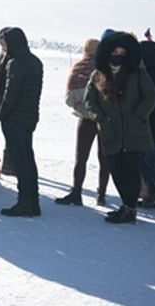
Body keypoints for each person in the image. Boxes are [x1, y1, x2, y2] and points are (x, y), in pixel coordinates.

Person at [86, 32, 155, 224]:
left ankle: (130, 208)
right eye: (114, 51)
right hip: (110, 132)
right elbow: (90, 100)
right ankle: (126, 205)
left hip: (135, 132)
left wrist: (139, 115)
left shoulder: (137, 73)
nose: (118, 55)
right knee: (116, 169)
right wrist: (100, 118)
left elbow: (150, 95)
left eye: (122, 52)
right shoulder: (98, 75)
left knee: (131, 170)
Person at [0, 28, 44, 217]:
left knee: (20, 161)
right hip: (29, 116)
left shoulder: (15, 63)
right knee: (28, 159)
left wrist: (1, 113)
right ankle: (33, 201)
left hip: (14, 118)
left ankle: (24, 202)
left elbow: (11, 92)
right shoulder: (35, 61)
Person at [56, 39, 108, 206]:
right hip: (104, 119)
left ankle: (76, 192)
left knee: (81, 157)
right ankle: (101, 194)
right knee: (104, 158)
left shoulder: (79, 67)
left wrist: (82, 107)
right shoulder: (106, 68)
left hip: (86, 119)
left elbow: (69, 98)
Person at [140, 34, 155, 208]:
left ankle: (153, 192)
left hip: (151, 126)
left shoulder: (148, 76)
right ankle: (152, 193)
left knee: (149, 160)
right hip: (149, 126)